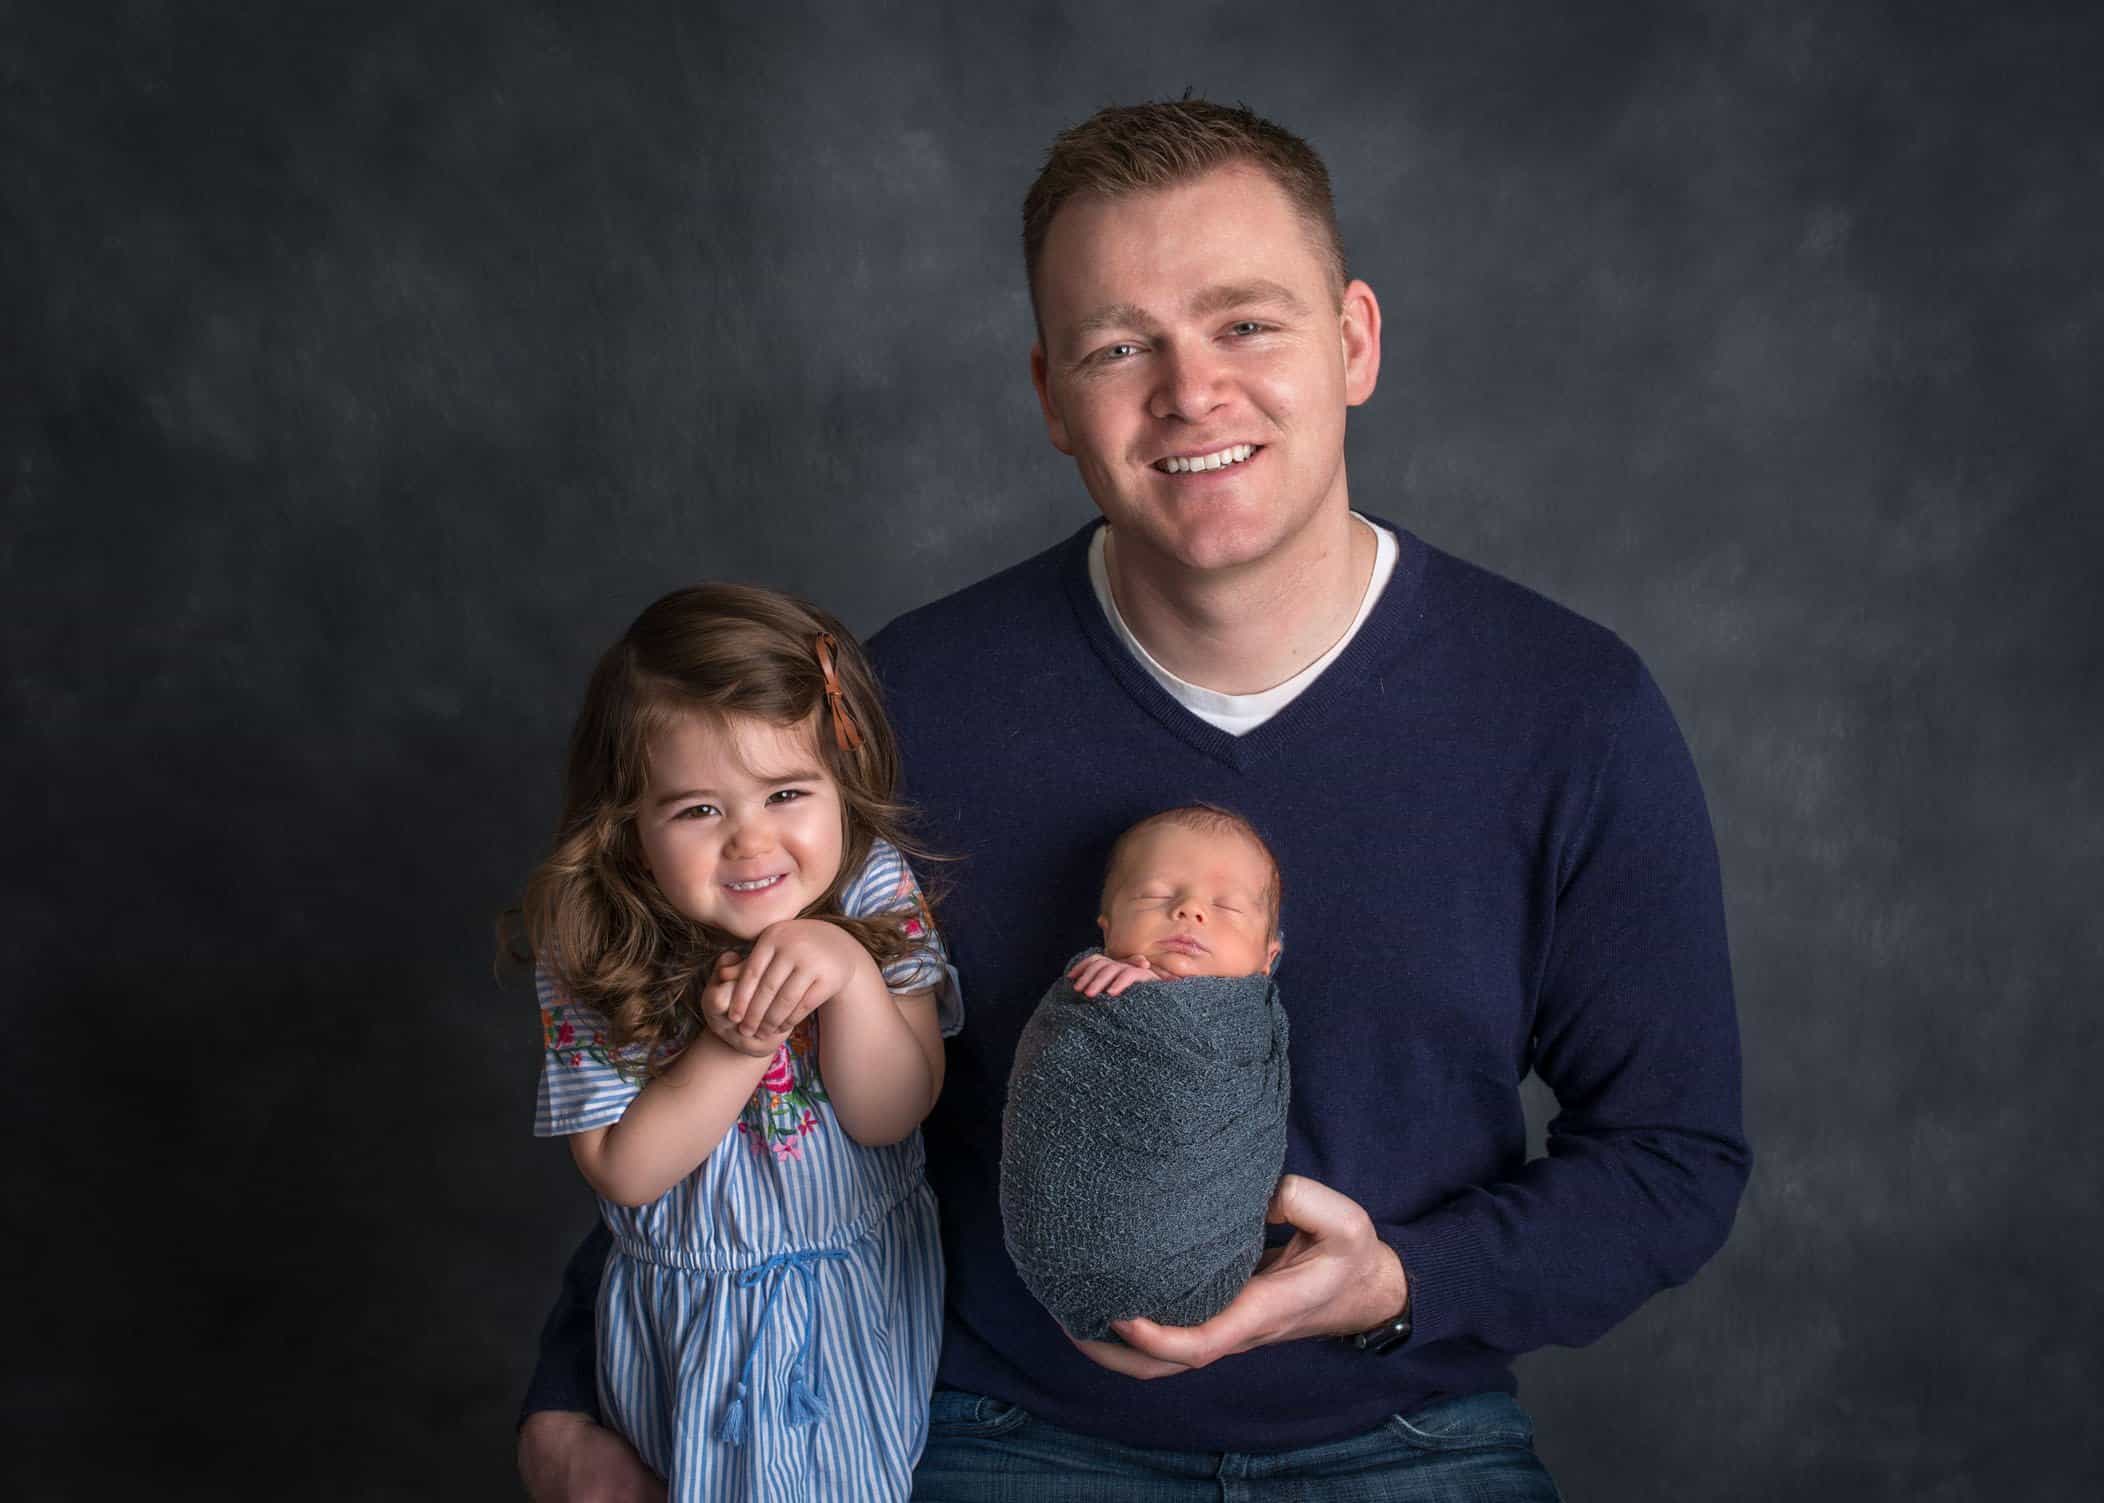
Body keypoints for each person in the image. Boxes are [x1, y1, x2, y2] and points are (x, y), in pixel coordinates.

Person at [520, 98, 1748, 1501]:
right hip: (988, 1428)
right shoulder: (903, 697)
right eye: (1121, 346)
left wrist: (1389, 1279)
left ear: (1354, 340)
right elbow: (714, 1040)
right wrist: (574, 1386)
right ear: (1052, 396)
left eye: (1245, 324)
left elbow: (1674, 1156)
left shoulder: (1569, 710)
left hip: (1408, 1427)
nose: (1189, 391)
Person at [522, 583, 960, 1502]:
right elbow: (624, 1169)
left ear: (843, 783)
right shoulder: (593, 942)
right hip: (698, 1325)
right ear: (631, 828)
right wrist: (733, 1045)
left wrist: (845, 973)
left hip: (865, 1297)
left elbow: (892, 1112)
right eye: (697, 810)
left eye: (788, 792)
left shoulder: (872, 890)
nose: (752, 842)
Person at [1002, 804, 1293, 1343]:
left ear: (1267, 960)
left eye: (1227, 907)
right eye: (1157, 896)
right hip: (1076, 1239)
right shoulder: (1097, 985)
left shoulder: (1252, 1020)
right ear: (1107, 926)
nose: (1189, 912)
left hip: (1202, 1251)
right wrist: (1114, 988)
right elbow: (1058, 1072)